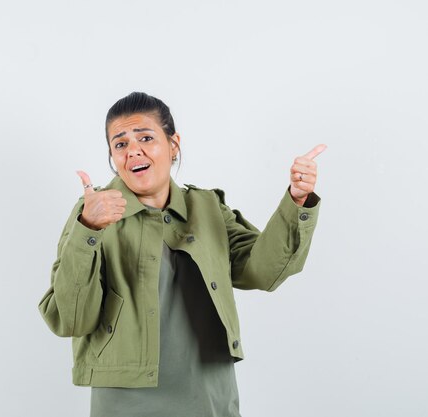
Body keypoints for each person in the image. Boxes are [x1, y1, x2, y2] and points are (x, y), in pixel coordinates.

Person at [38, 92, 325, 417]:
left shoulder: (208, 209)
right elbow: (70, 318)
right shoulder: (90, 214)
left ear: (173, 145)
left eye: (145, 137)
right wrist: (88, 228)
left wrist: (297, 201)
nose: (133, 150)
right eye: (120, 144)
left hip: (207, 394)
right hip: (125, 400)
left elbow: (264, 271)